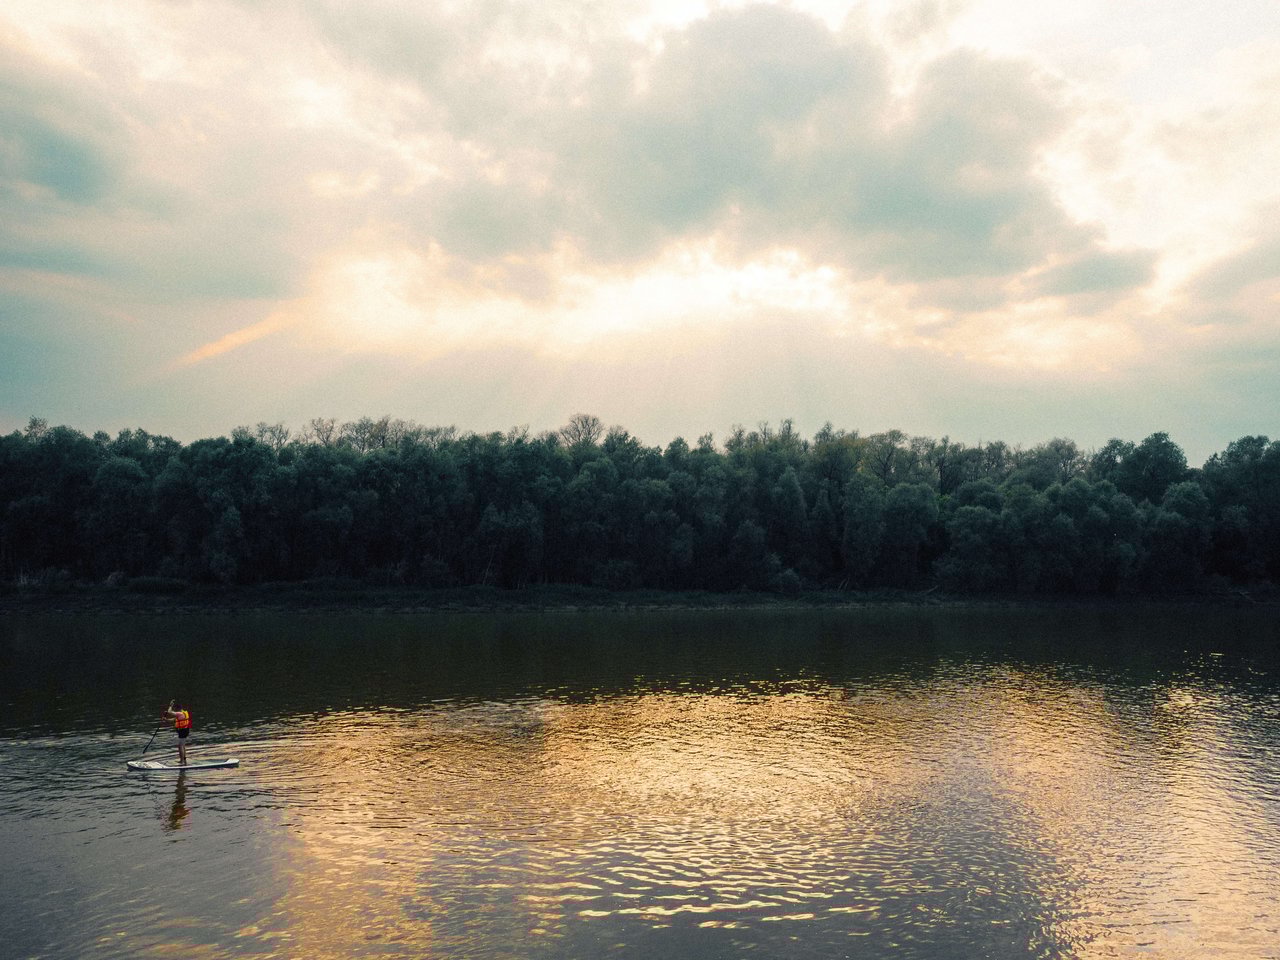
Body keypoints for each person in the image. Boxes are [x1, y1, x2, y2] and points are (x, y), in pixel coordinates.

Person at [164, 700, 192, 766]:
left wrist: (170, 705)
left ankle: (182, 762)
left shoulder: (180, 713)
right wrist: (166, 720)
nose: (175, 710)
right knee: (183, 745)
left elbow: (169, 712)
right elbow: (173, 720)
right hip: (185, 730)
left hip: (183, 731)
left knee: (180, 746)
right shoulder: (182, 713)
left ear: (177, 708)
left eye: (175, 709)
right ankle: (184, 759)